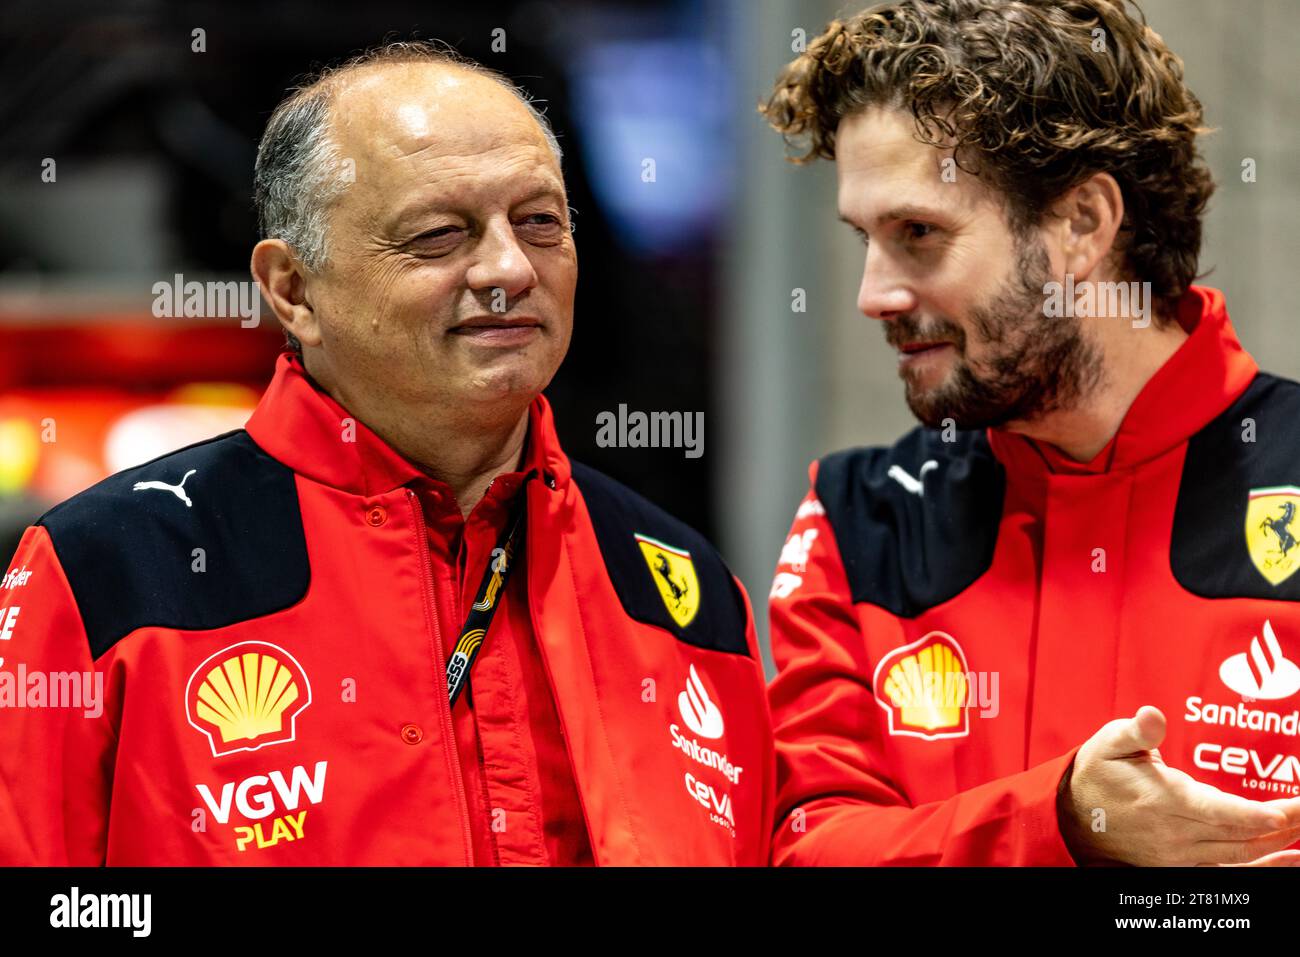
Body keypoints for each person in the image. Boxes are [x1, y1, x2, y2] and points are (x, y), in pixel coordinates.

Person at [0, 42, 773, 866]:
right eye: (440, 235)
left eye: (541, 222)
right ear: (293, 289)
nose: (511, 267)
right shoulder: (106, 572)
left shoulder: (687, 594)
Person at [760, 0, 1300, 866]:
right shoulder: (858, 520)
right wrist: (1062, 820)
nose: (873, 295)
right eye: (865, 238)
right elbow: (809, 848)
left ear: (1083, 224)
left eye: (919, 235)